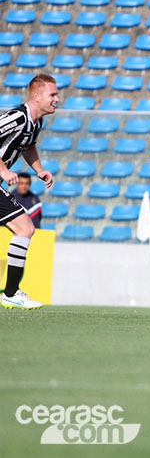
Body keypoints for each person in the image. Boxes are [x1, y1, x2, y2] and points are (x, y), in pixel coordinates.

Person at [0, 75, 57, 310]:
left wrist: (39, 169)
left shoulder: (36, 123)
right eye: (52, 95)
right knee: (25, 228)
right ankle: (10, 294)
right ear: (36, 97)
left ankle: (11, 293)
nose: (56, 100)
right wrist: (3, 170)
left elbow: (28, 145)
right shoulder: (18, 117)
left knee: (24, 228)